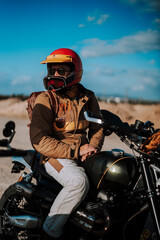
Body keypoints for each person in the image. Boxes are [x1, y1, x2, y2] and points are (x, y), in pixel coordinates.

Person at [30, 48, 104, 239]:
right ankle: (50, 232)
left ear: (75, 71)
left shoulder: (88, 97)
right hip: (54, 155)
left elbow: (98, 128)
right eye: (52, 71)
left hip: (84, 152)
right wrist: (77, 151)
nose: (54, 75)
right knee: (78, 182)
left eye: (60, 71)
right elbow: (39, 140)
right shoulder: (46, 99)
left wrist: (93, 147)